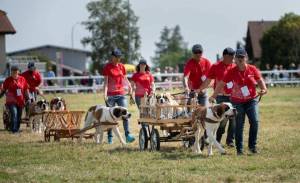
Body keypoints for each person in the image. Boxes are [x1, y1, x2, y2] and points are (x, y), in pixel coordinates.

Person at [209, 48, 267, 155]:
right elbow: (221, 84)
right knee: (239, 124)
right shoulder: (231, 71)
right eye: (238, 57)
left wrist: (264, 89)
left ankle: (252, 147)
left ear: (246, 58)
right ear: (235, 59)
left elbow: (260, 80)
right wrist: (213, 96)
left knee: (255, 121)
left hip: (251, 100)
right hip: (237, 101)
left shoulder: (252, 69)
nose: (240, 59)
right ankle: (239, 150)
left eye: (242, 57)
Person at [198, 47, 236, 147]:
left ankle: (230, 140)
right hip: (220, 97)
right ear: (225, 56)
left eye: (233, 57)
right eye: (231, 57)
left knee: (234, 120)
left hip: (233, 97)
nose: (233, 59)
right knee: (221, 121)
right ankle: (216, 139)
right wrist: (200, 89)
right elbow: (208, 79)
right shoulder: (215, 66)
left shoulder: (234, 66)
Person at [102, 48, 135, 144]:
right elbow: (106, 83)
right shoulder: (107, 67)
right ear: (112, 57)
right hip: (111, 95)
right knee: (110, 117)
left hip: (121, 94)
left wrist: (129, 86)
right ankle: (110, 137)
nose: (118, 59)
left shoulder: (121, 66)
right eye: (117, 57)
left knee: (125, 114)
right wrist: (105, 94)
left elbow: (124, 78)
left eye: (119, 57)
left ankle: (127, 135)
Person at [0, 65, 29, 133]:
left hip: (20, 101)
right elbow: (3, 89)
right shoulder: (8, 80)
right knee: (14, 113)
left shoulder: (22, 79)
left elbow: (25, 89)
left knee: (19, 115)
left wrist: (28, 98)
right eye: (13, 71)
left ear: (18, 72)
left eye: (16, 71)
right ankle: (14, 129)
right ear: (11, 72)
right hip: (11, 101)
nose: (14, 73)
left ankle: (17, 128)